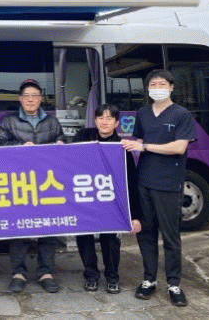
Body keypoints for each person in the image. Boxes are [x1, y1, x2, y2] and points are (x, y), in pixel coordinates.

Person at [122, 70, 197, 307]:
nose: (157, 88)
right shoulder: (143, 113)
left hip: (168, 183)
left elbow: (179, 148)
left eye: (162, 84)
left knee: (170, 236)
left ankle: (174, 284)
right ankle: (149, 280)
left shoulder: (181, 114)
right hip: (144, 181)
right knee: (146, 234)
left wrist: (144, 146)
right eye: (152, 84)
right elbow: (136, 141)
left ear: (171, 87)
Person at [0, 79, 65, 293]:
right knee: (20, 227)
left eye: (35, 95)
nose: (31, 99)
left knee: (48, 227)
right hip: (19, 182)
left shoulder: (52, 122)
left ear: (41, 99)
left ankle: (46, 272)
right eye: (26, 96)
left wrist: (62, 144)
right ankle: (18, 273)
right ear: (20, 99)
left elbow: (62, 144)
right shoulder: (9, 121)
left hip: (46, 182)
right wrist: (20, 146)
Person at [73, 104, 142, 295]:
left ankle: (112, 277)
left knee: (111, 240)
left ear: (117, 123)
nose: (104, 122)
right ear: (95, 120)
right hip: (86, 196)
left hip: (110, 200)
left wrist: (135, 216)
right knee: (84, 236)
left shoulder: (121, 147)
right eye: (101, 118)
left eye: (109, 118)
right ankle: (91, 276)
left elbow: (130, 182)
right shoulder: (82, 137)